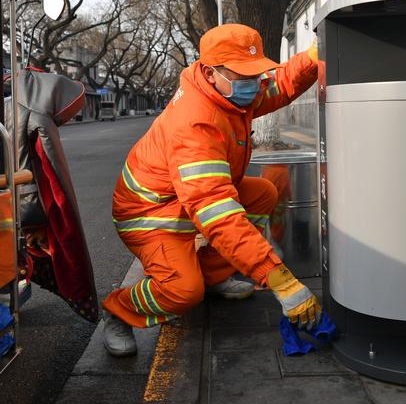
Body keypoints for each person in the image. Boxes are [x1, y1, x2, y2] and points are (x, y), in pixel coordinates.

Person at [102, 23, 325, 356]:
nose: (253, 84)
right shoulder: (195, 122)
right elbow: (217, 211)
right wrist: (281, 281)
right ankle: (119, 312)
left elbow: (278, 84)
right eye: (243, 76)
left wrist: (312, 58)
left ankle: (213, 275)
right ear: (209, 72)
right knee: (183, 292)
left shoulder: (229, 92)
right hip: (150, 215)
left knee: (262, 192)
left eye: (255, 74)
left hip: (182, 200)